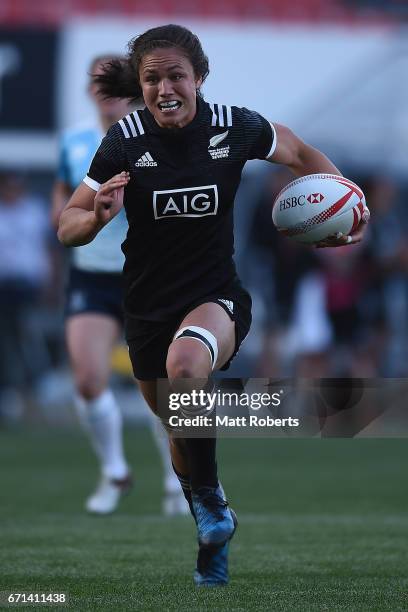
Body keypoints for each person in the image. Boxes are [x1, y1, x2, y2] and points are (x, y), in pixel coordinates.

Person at [57, 25, 368, 585]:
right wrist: (96, 215)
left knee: (186, 368)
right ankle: (210, 520)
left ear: (199, 78)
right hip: (146, 307)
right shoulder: (125, 139)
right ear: (142, 86)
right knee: (178, 422)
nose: (164, 87)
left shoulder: (234, 125)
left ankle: (210, 506)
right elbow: (68, 226)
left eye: (176, 75)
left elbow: (298, 152)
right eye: (152, 78)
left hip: (215, 297)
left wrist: (348, 200)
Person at [52, 55, 188, 516]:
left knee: (161, 384)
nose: (106, 93)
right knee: (89, 378)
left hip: (145, 275)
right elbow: (62, 208)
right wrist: (85, 216)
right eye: (98, 83)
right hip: (91, 274)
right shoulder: (73, 142)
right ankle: (115, 471)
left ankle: (177, 481)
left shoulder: (150, 139)